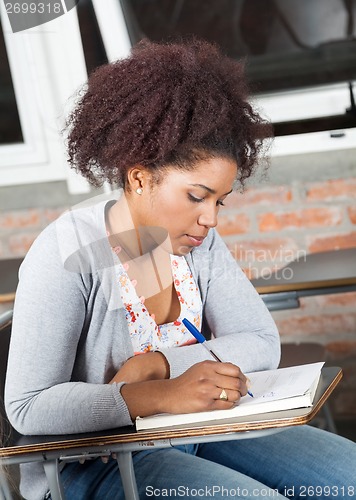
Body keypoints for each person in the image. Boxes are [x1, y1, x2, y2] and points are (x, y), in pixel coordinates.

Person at [5, 39, 356, 500]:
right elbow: (28, 408)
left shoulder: (196, 242)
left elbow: (260, 341)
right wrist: (160, 395)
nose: (211, 219)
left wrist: (162, 364)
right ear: (139, 177)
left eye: (219, 201)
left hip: (202, 430)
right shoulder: (65, 254)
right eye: (197, 196)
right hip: (97, 461)